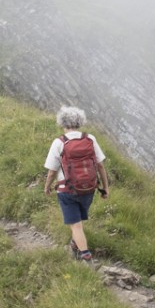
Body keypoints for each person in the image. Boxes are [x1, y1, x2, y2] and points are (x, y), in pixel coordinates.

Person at [43, 105, 109, 261]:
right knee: (78, 222)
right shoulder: (90, 139)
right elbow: (100, 165)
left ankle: (85, 256)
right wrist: (105, 187)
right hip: (89, 189)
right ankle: (75, 245)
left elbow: (52, 171)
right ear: (80, 122)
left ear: (63, 123)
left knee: (76, 225)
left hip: (67, 191)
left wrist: (46, 187)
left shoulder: (59, 142)